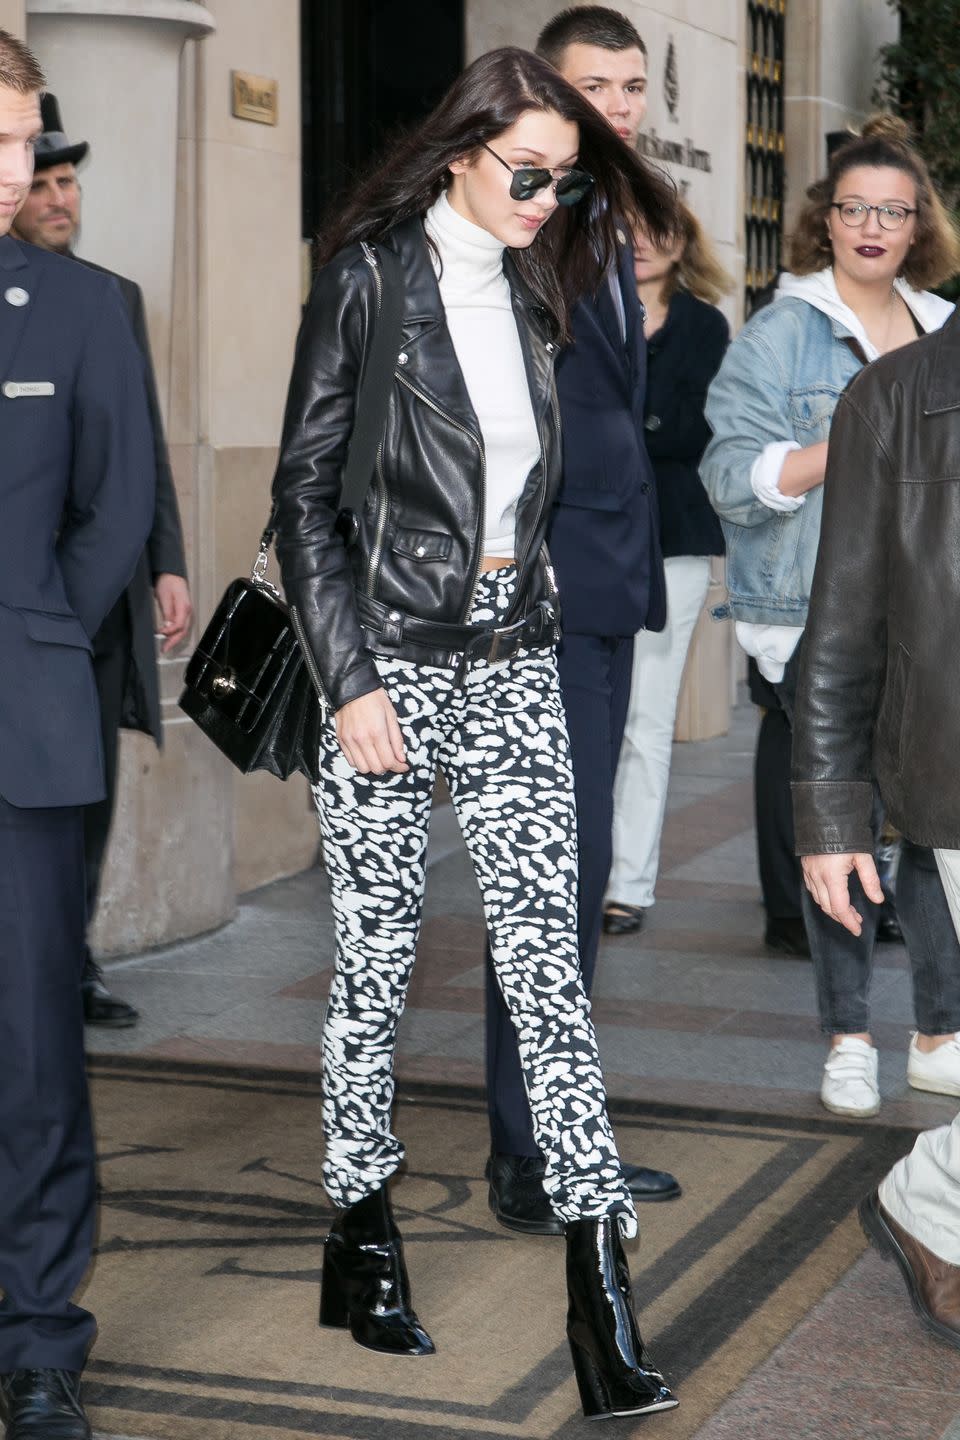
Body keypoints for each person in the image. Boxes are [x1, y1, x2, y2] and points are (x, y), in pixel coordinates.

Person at [272, 45, 680, 1420]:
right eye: (527, 173)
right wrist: (351, 682)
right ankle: (360, 1227)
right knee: (375, 972)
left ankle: (596, 1285)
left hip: (514, 658)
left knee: (548, 974)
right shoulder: (372, 281)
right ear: (460, 149)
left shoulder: (539, 282)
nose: (546, 200)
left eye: (564, 184)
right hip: (385, 663)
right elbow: (305, 495)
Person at [701, 115, 960, 1119]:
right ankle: (848, 1034)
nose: (871, 227)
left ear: (917, 228)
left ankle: (939, 1028)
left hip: (931, 619)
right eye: (854, 207)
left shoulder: (940, 328)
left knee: (935, 829)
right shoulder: (780, 333)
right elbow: (731, 475)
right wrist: (855, 441)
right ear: (827, 219)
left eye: (893, 212)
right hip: (819, 606)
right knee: (838, 820)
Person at [484, 3, 681, 1239]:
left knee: (578, 872)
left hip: (602, 586)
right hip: (543, 595)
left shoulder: (602, 221)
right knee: (547, 879)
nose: (617, 105)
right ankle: (534, 1153)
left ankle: (557, 1132)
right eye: (591, 85)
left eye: (631, 85)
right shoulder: (525, 222)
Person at [0, 31, 155, 1440]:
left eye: (25, 137)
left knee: (32, 1045)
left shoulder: (81, 307)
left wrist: (42, 624)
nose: (21, 166)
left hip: (21, 726)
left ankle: (40, 1334)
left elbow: (115, 509)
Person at [788, 307, 960, 1353]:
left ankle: (931, 1200)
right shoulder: (895, 397)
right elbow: (842, 619)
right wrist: (829, 809)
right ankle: (932, 1206)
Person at [11, 93, 192, 1029]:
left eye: (65, 179)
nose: (54, 197)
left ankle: (70, 956)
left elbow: (143, 446)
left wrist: (167, 559)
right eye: (39, 180)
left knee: (86, 784)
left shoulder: (109, 295)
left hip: (96, 594)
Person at [604, 202, 731, 936]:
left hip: (673, 538)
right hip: (589, 537)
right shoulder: (585, 311)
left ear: (683, 242)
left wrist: (626, 424)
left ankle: (630, 884)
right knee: (586, 717)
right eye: (627, 229)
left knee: (647, 718)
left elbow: (692, 430)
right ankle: (583, 868)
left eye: (657, 230)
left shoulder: (705, 326)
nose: (641, 243)